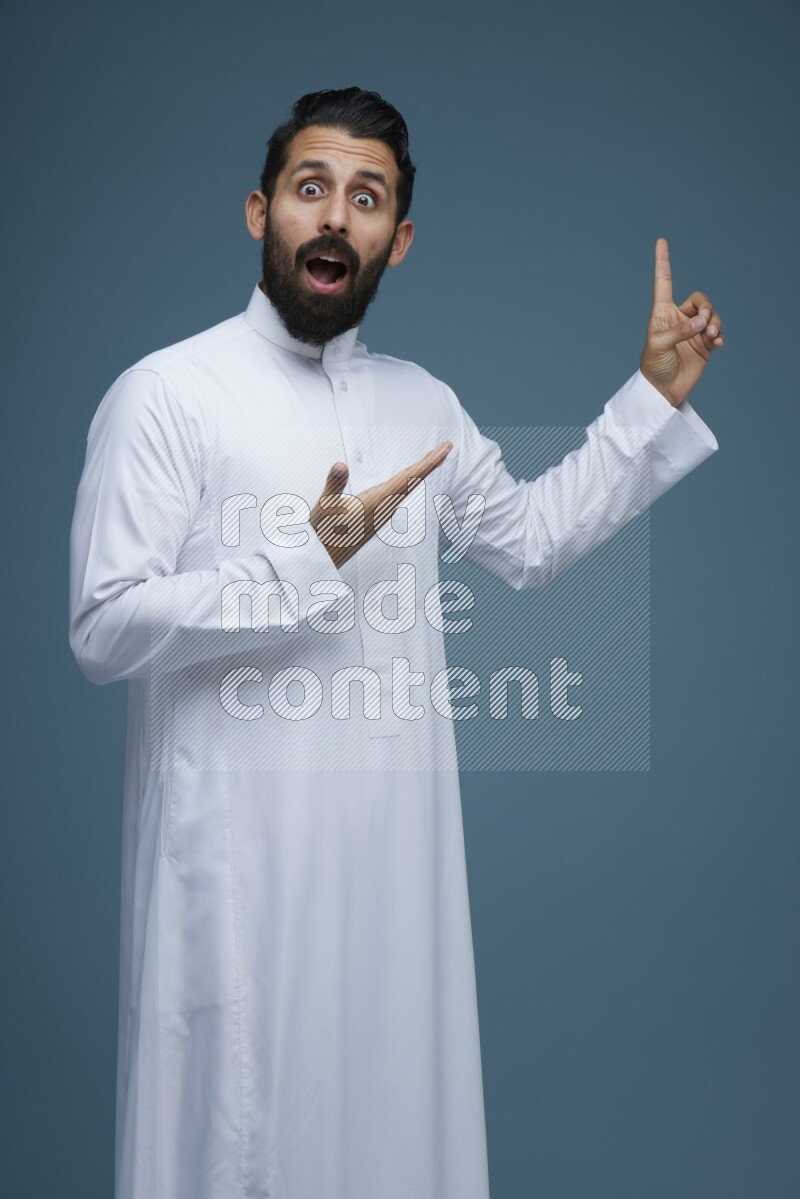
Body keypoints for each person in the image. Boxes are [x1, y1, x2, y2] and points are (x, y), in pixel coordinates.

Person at [69, 86, 723, 1199]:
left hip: (394, 886)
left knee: (391, 1143)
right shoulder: (167, 394)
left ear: (397, 239)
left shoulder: (421, 404)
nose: (334, 216)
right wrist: (299, 564)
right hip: (237, 884)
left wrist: (648, 402)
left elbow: (527, 539)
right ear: (257, 211)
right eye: (309, 188)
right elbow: (100, 624)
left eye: (364, 198)